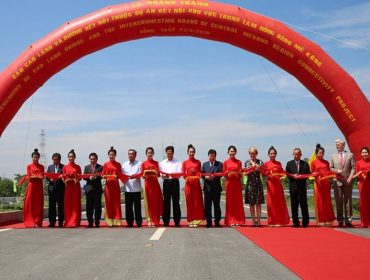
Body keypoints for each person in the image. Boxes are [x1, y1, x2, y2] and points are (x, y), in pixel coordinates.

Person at [330, 139, 355, 227]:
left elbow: (353, 168)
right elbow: (331, 168)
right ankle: (340, 220)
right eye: (336, 145)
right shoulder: (333, 156)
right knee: (339, 201)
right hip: (337, 181)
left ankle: (349, 220)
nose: (337, 146)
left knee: (348, 201)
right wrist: (337, 171)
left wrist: (351, 177)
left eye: (338, 145)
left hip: (348, 181)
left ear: (343, 145)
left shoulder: (350, 155)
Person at [263, 146, 290, 226]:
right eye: (271, 153)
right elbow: (264, 174)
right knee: (271, 203)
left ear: (276, 154)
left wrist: (282, 177)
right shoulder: (266, 164)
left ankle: (280, 221)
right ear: (268, 154)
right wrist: (268, 173)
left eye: (273, 153)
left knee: (279, 203)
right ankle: (272, 221)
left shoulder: (279, 163)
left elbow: (282, 173)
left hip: (278, 185)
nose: (272, 155)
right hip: (271, 185)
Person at [311, 144, 335, 226]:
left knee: (327, 202)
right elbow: (311, 173)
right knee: (319, 202)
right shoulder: (313, 162)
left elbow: (329, 172)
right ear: (316, 153)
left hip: (326, 184)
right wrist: (315, 174)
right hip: (318, 184)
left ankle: (329, 220)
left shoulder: (326, 162)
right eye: (319, 153)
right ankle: (320, 221)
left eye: (322, 153)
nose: (321, 155)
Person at [285, 148, 310, 227]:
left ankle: (305, 222)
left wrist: (301, 177)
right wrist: (294, 177)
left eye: (298, 154)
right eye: (295, 154)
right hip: (293, 188)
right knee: (294, 206)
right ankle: (295, 222)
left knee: (304, 205)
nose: (296, 156)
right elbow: (287, 174)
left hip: (302, 187)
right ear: (293, 155)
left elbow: (308, 174)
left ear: (301, 155)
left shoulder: (305, 164)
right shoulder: (289, 163)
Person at [102, 146, 125, 227]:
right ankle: (109, 221)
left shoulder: (118, 164)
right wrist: (106, 176)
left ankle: (117, 220)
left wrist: (115, 176)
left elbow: (120, 175)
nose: (111, 156)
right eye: (110, 154)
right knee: (108, 203)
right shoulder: (105, 164)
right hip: (108, 187)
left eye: (113, 155)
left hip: (115, 186)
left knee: (116, 203)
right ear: (108, 155)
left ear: (115, 155)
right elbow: (103, 175)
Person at [159, 146, 182, 227]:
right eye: (168, 152)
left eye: (171, 152)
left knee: (176, 202)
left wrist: (174, 175)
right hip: (166, 183)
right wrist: (164, 175)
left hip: (175, 182)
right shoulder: (162, 163)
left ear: (173, 153)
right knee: (166, 202)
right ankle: (166, 221)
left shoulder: (178, 162)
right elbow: (161, 174)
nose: (169, 154)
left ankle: (177, 221)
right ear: (166, 153)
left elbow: (180, 174)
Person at [182, 144, 204, 227]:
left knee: (197, 203)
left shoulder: (198, 162)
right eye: (190, 152)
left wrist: (198, 174)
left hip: (196, 185)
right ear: (188, 153)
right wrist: (187, 177)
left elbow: (199, 173)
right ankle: (190, 221)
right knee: (189, 203)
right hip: (188, 185)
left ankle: (197, 221)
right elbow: (184, 175)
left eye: (193, 152)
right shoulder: (185, 163)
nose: (191, 153)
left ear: (195, 152)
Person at [223, 145, 245, 227]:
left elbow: (240, 174)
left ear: (235, 152)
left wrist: (238, 173)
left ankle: (238, 221)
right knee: (230, 203)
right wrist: (228, 173)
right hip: (229, 185)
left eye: (233, 151)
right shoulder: (225, 162)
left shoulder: (239, 162)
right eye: (230, 151)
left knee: (237, 203)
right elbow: (224, 174)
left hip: (236, 184)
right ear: (228, 152)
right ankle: (231, 220)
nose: (232, 152)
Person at [141, 147, 163, 227]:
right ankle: (149, 220)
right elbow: (142, 176)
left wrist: (154, 172)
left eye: (151, 152)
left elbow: (159, 174)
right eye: (148, 153)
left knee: (155, 202)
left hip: (155, 185)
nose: (149, 154)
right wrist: (145, 174)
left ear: (153, 154)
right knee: (148, 203)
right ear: (146, 154)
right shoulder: (143, 163)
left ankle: (155, 220)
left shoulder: (156, 163)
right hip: (147, 185)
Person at [23, 148, 45, 228]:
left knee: (38, 204)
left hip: (39, 186)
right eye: (34, 157)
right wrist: (36, 176)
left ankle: (37, 221)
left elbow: (42, 177)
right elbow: (28, 177)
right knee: (30, 203)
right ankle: (30, 221)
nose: (35, 158)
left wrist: (37, 176)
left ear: (39, 158)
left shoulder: (41, 166)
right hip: (31, 186)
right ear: (32, 157)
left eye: (37, 157)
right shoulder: (29, 166)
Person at [201, 149, 223, 228]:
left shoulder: (219, 164)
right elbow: (201, 174)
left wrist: (214, 176)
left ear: (215, 156)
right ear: (208, 156)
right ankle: (208, 222)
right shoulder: (205, 164)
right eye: (210, 156)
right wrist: (205, 177)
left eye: (213, 156)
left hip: (216, 188)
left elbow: (221, 173)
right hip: (207, 189)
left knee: (217, 206)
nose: (211, 157)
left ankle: (217, 222)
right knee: (207, 206)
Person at [244, 146, 265, 227]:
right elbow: (244, 172)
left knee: (258, 204)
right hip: (250, 184)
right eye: (251, 153)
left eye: (254, 153)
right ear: (249, 154)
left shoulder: (260, 162)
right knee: (251, 204)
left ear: (256, 153)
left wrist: (258, 168)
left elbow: (263, 172)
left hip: (258, 184)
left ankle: (259, 221)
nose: (252, 154)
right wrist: (249, 170)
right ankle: (253, 221)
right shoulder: (246, 162)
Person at [122, 149, 143, 227]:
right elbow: (122, 174)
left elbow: (141, 173)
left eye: (132, 154)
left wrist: (134, 175)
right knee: (128, 207)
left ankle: (139, 221)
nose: (130, 155)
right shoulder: (124, 164)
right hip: (127, 188)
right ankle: (129, 222)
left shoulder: (139, 164)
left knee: (137, 206)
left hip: (136, 188)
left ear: (135, 155)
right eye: (129, 154)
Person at [63, 149, 82, 228]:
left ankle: (75, 221)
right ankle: (68, 221)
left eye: (72, 157)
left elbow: (80, 177)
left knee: (75, 204)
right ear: (68, 157)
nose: (71, 158)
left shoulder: (78, 167)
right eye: (70, 156)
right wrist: (66, 180)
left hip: (75, 187)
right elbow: (63, 177)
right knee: (68, 204)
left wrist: (76, 179)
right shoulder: (65, 167)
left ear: (75, 157)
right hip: (68, 188)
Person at [83, 152, 103, 228]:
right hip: (88, 188)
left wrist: (96, 177)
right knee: (89, 206)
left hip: (97, 188)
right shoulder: (86, 167)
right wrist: (89, 177)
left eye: (94, 159)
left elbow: (102, 176)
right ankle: (90, 222)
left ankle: (97, 222)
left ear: (96, 159)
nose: (92, 160)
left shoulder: (100, 167)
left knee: (97, 206)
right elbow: (84, 177)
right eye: (91, 159)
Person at [45, 153, 65, 227]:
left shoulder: (63, 167)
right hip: (51, 189)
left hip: (60, 189)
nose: (54, 162)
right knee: (51, 206)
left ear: (59, 160)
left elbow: (65, 176)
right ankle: (52, 222)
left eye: (56, 160)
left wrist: (60, 177)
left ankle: (60, 222)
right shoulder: (50, 167)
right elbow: (46, 176)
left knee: (60, 206)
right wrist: (49, 179)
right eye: (53, 160)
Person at [354, 147, 370, 227]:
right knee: (363, 203)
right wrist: (357, 182)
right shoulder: (358, 163)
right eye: (363, 152)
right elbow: (356, 174)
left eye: (366, 152)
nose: (364, 154)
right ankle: (364, 222)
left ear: (368, 153)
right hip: (362, 185)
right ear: (361, 154)